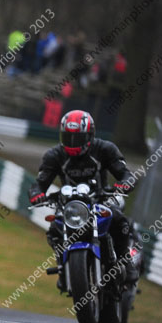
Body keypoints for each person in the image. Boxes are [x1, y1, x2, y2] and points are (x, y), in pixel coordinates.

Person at [28, 110, 138, 290]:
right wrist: (37, 195)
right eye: (68, 137)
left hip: (100, 200)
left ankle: (125, 261)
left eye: (77, 138)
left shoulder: (105, 149)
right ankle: (64, 267)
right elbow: (39, 183)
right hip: (70, 207)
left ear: (90, 135)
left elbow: (126, 174)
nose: (73, 142)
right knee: (54, 230)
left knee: (120, 221)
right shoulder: (54, 155)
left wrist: (124, 185)